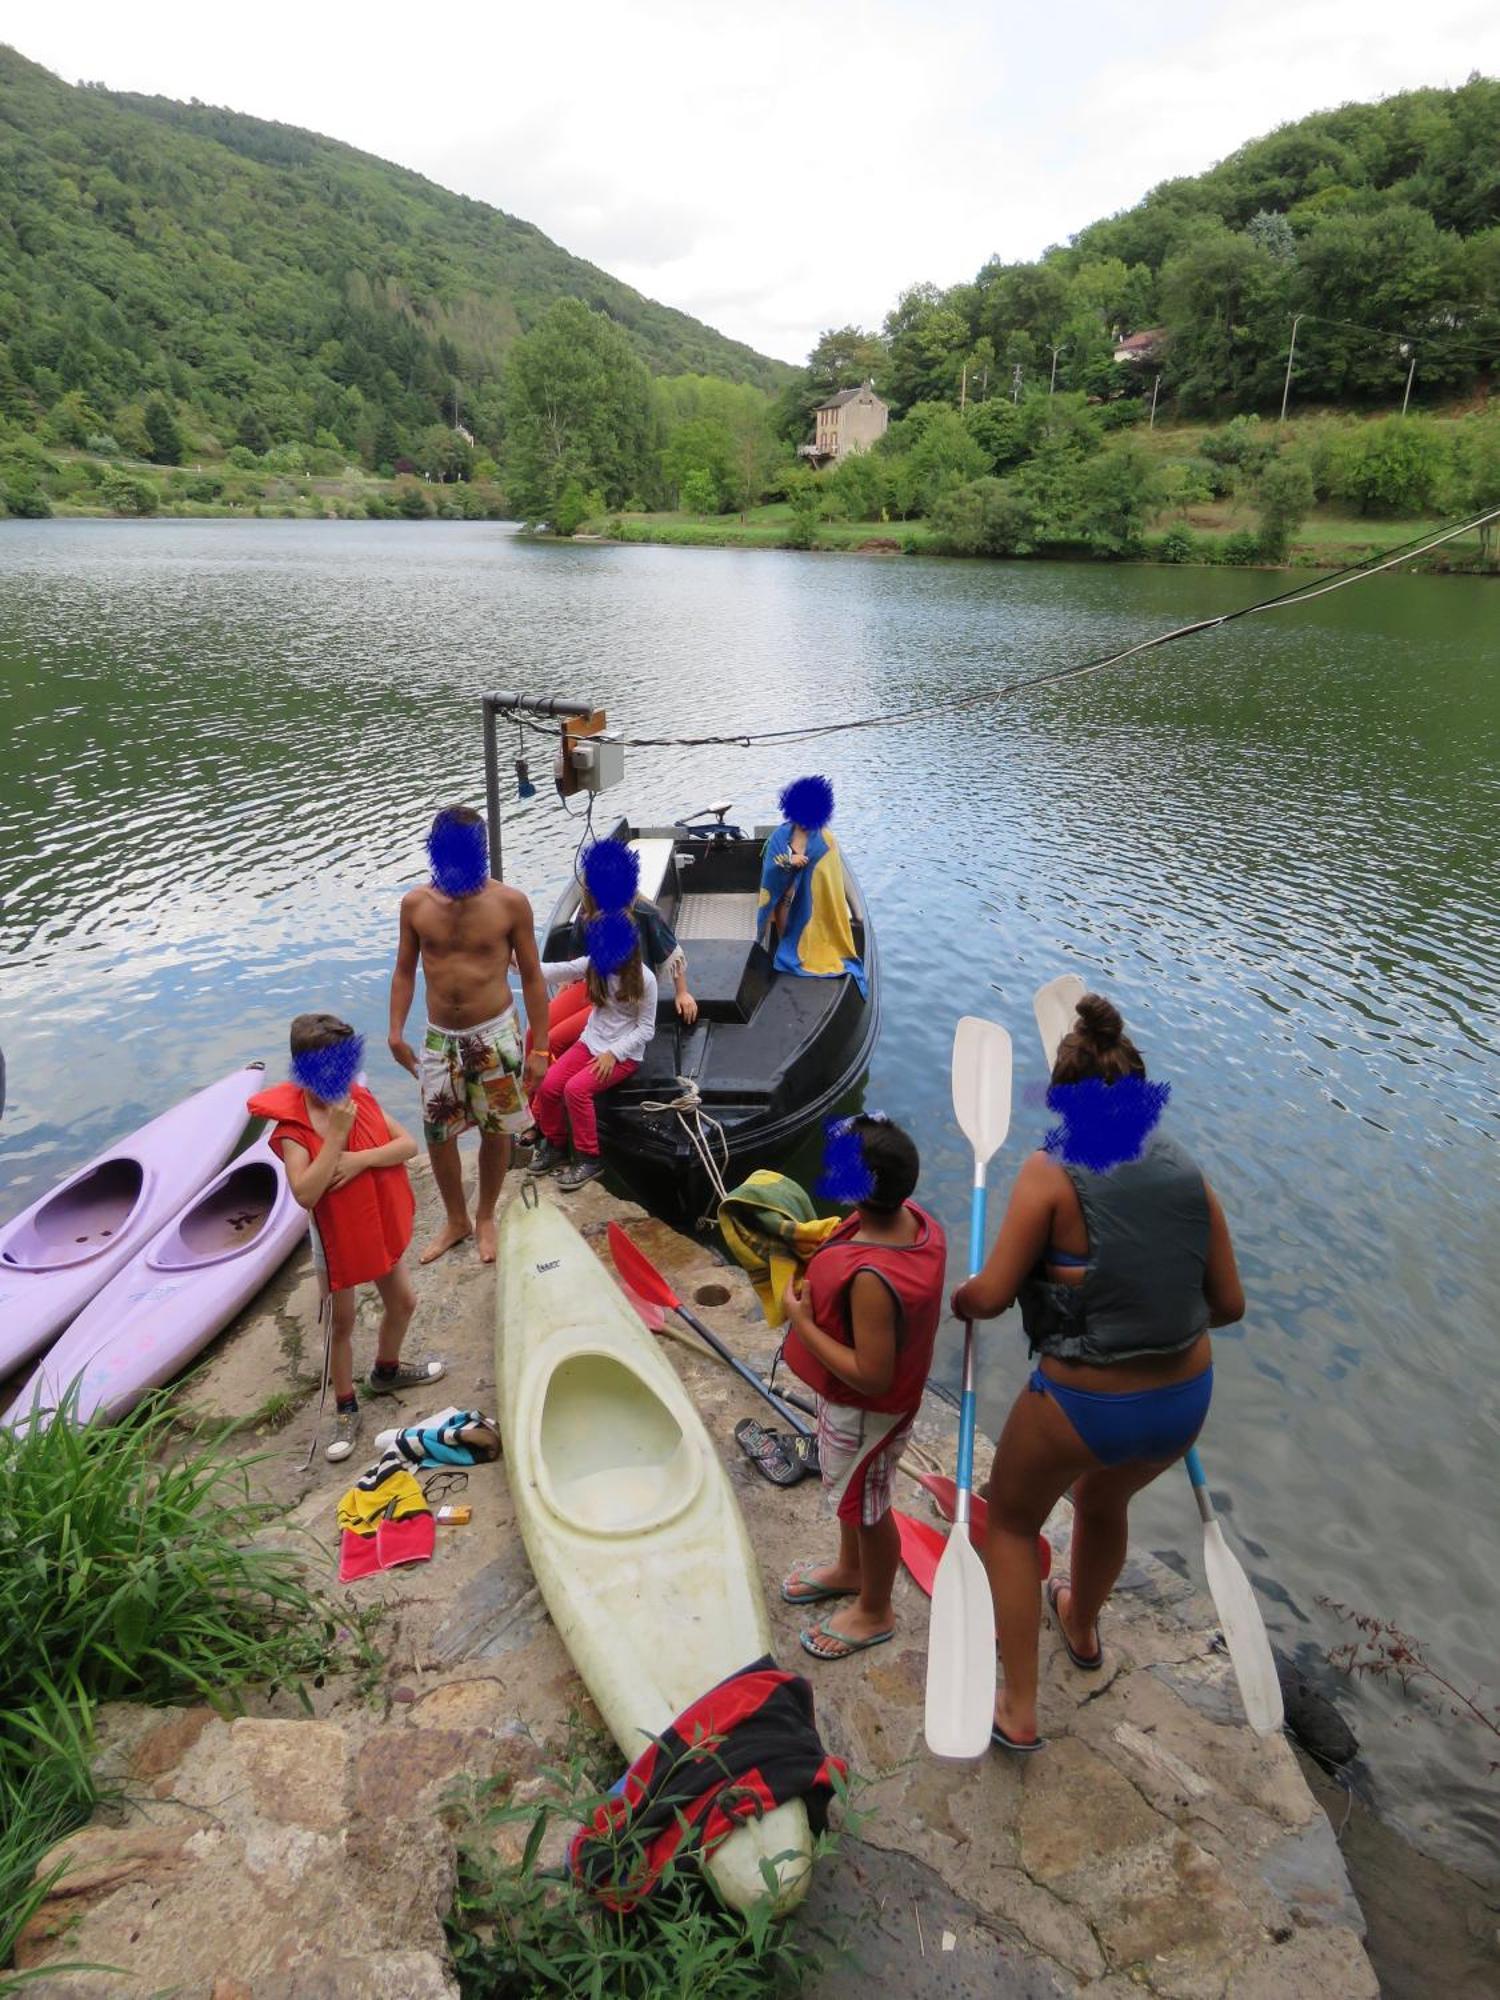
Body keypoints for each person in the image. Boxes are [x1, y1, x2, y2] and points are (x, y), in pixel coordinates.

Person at [950, 993, 1245, 1752]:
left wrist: (961, 1295)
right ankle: (1081, 1626)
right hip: (1185, 1404)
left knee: (1010, 1521)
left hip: (1087, 1402)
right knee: (1103, 1500)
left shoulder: (1050, 1173)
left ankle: (1018, 1707)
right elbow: (1229, 1303)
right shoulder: (1189, 1171)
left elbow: (992, 1295)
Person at [777, 1115, 946, 1663]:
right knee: (854, 1494)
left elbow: (872, 1373)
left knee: (871, 1508)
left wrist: (801, 1324)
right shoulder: (914, 1221)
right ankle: (851, 1570)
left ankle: (876, 1609)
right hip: (860, 1405)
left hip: (869, 1408)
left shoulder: (873, 1279)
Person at [248, 1014, 445, 1464]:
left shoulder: (359, 1098)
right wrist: (335, 1136)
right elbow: (305, 1192)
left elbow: (407, 1145)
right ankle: (345, 1406)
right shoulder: (295, 1129)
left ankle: (386, 1371)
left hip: (374, 1224)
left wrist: (360, 1160)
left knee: (404, 1303)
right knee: (342, 1322)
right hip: (334, 1241)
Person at [388, 805, 551, 1265]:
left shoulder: (509, 903)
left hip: (494, 1034)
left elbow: (535, 978)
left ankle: (484, 1217)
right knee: (438, 1134)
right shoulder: (416, 904)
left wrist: (541, 1046)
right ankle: (456, 1219)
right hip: (440, 1038)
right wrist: (395, 1031)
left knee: (496, 1130)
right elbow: (404, 971)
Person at [529, 918, 657, 1191]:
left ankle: (589, 1158)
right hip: (591, 1042)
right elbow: (557, 970)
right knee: (549, 1084)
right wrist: (520, 963)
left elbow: (646, 1029)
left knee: (576, 1090)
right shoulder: (595, 965)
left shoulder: (645, 980)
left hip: (624, 1054)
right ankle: (556, 1146)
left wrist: (614, 1053)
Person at [757, 776, 866, 997]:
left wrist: (857, 913)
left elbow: (835, 876)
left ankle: (807, 949)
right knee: (785, 928)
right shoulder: (780, 836)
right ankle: (785, 949)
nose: (806, 823)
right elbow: (771, 870)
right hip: (786, 902)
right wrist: (789, 862)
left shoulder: (826, 840)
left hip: (815, 907)